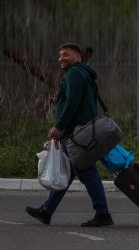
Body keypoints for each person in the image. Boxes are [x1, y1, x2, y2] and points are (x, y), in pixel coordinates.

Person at [26, 43, 114, 227]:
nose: (61, 59)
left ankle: (103, 213)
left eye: (66, 55)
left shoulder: (75, 73)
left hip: (76, 134)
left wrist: (59, 127)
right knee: (68, 172)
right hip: (80, 133)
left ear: (78, 56)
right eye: (59, 56)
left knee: (87, 172)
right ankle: (46, 211)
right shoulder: (83, 74)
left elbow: (72, 102)